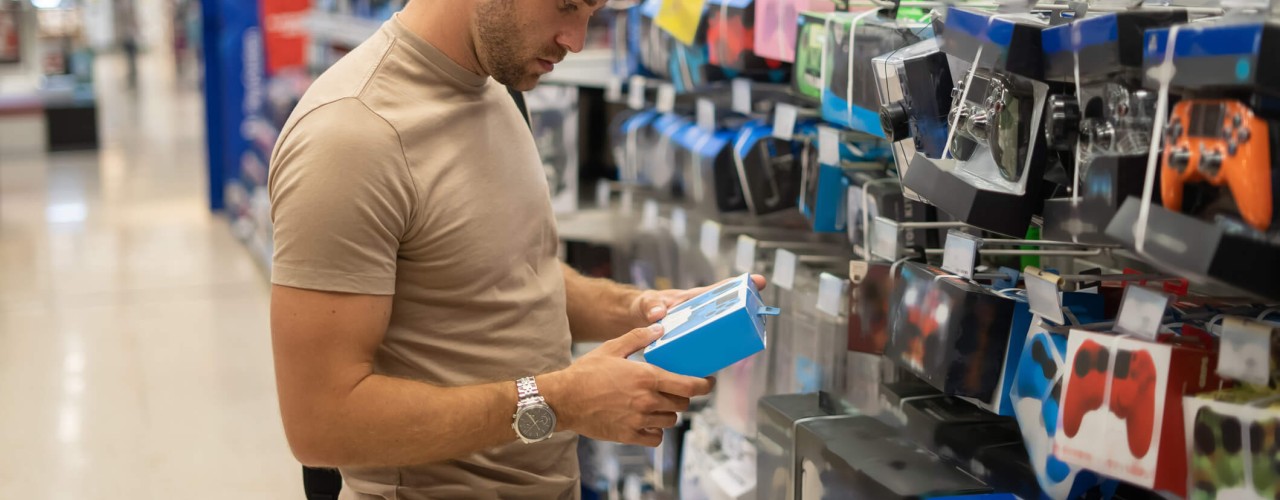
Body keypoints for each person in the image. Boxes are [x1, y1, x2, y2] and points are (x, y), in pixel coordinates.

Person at [267, 1, 767, 498]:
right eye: (566, 5)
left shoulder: (495, 86)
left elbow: (511, 270)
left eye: (591, 12)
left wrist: (640, 311)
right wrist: (561, 402)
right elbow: (321, 424)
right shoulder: (352, 134)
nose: (576, 39)